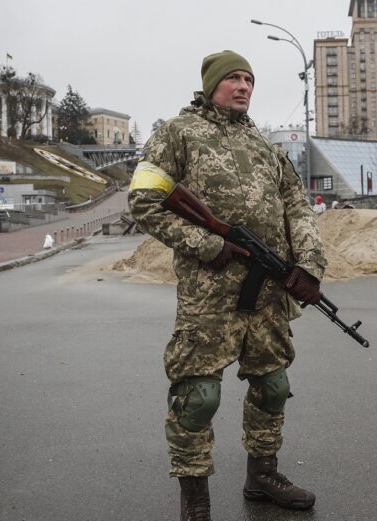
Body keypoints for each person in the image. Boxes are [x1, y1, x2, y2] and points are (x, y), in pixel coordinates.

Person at [127, 50, 326, 521]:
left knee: (273, 386)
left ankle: (262, 474)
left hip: (269, 293)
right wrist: (206, 244)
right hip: (208, 294)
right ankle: (194, 493)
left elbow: (297, 206)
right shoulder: (178, 133)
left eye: (249, 80)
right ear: (212, 83)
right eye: (234, 79)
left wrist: (310, 264)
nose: (243, 87)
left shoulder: (266, 145)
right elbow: (143, 200)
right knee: (199, 395)